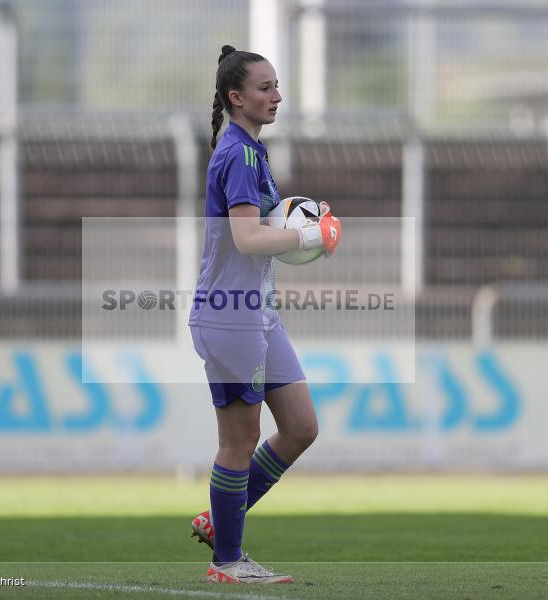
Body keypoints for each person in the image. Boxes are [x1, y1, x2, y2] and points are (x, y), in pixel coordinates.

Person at [188, 44, 341, 584]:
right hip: (230, 317)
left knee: (300, 426)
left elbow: (259, 234)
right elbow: (248, 238)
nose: (276, 96)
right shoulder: (240, 152)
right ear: (236, 97)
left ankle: (220, 522)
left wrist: (302, 229)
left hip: (257, 314)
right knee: (238, 440)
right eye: (264, 88)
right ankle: (227, 560)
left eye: (276, 86)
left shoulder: (252, 150)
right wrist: (306, 232)